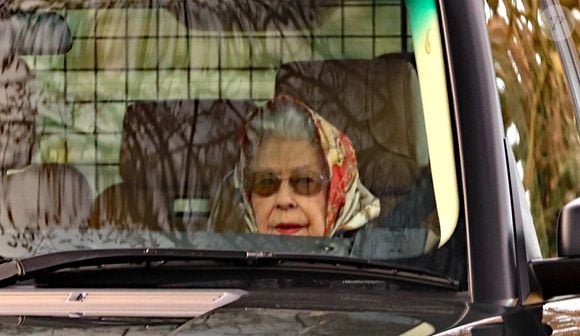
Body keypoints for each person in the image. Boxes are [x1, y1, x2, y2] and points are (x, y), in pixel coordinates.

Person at [209, 95, 380, 237]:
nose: (284, 200)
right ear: (248, 199)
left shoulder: (376, 266)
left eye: (305, 181)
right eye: (266, 183)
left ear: (338, 197)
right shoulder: (220, 269)